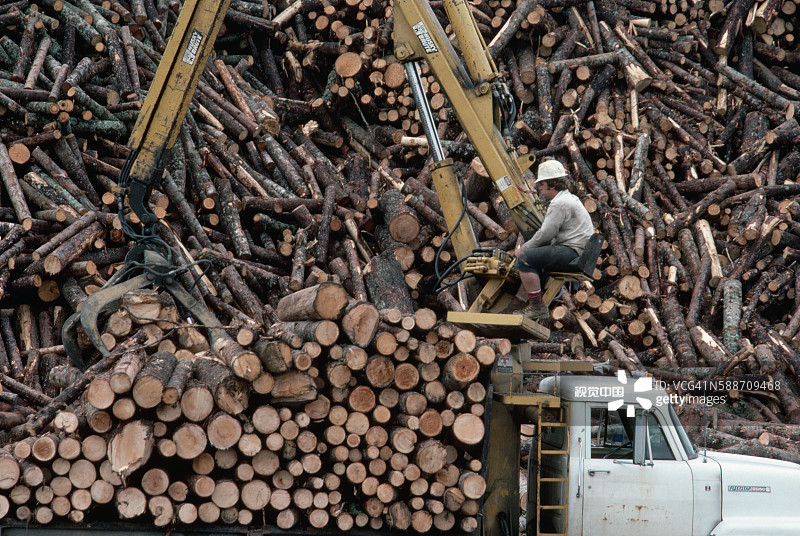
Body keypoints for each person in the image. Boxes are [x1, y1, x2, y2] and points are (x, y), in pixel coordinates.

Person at [505, 160, 594, 321]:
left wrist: (523, 249)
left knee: (525, 259)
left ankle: (537, 307)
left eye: (542, 184)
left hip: (572, 251)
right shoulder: (569, 199)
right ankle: (516, 304)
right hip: (578, 250)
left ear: (552, 185)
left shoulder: (559, 203)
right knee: (535, 260)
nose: (539, 188)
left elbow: (546, 233)